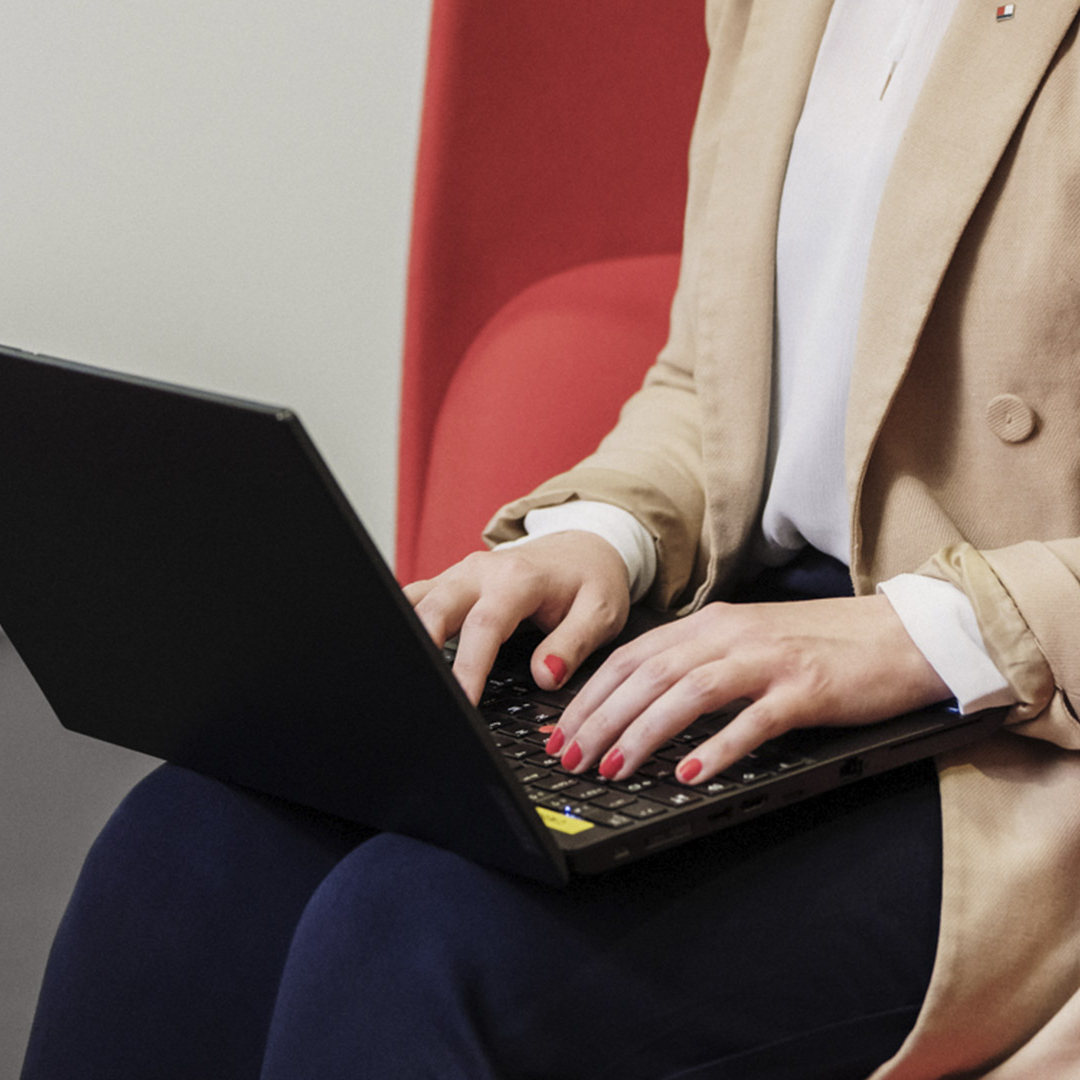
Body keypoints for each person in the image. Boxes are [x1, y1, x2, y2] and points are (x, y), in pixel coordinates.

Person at [20, 1, 1080, 1077]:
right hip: (751, 634)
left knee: (420, 941)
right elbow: (720, 376)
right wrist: (600, 535)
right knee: (188, 846)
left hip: (1020, 723)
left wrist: (925, 631)